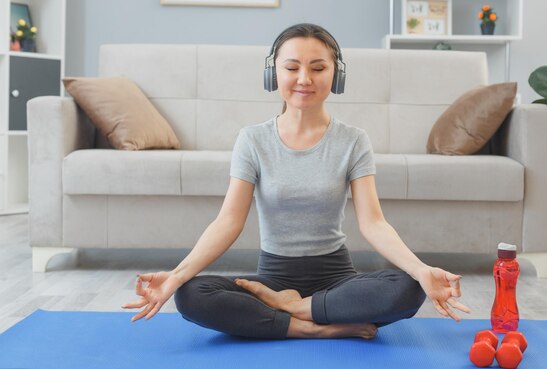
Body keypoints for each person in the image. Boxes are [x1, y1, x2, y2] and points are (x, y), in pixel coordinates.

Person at [122, 23, 470, 339]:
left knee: (407, 288)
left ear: (336, 75)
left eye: (318, 68)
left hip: (337, 279)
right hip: (273, 276)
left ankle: (291, 310)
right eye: (291, 68)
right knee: (190, 296)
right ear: (274, 74)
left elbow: (374, 223)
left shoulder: (353, 141)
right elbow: (228, 221)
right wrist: (177, 275)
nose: (304, 78)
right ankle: (310, 329)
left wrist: (421, 270)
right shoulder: (252, 140)